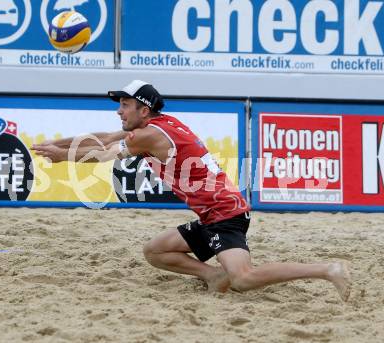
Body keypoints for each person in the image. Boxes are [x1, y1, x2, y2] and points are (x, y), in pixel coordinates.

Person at [32, 80, 352, 301]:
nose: (119, 110)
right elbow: (104, 137)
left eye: (125, 105)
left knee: (242, 277)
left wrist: (62, 157)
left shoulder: (149, 136)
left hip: (225, 214)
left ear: (144, 110)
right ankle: (213, 277)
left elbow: (102, 154)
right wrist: (56, 143)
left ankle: (326, 269)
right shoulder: (156, 124)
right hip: (212, 212)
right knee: (155, 251)